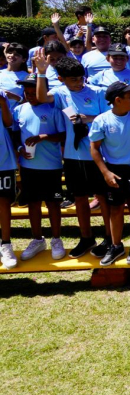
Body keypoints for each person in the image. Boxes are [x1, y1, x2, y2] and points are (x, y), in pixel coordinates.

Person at [34, 54, 111, 258]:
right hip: (72, 155)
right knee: (79, 198)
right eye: (73, 80)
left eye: (81, 78)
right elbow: (42, 98)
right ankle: (86, 237)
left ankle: (110, 237)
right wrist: (41, 73)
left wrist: (88, 118)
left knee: (103, 198)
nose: (79, 83)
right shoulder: (61, 93)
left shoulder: (97, 93)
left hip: (97, 155)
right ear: (61, 79)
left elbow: (108, 118)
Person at [89, 82, 130, 266]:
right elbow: (94, 148)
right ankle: (116, 246)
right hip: (113, 172)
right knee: (115, 208)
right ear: (117, 100)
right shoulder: (101, 120)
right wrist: (106, 172)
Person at [11, 74, 67, 262]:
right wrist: (19, 148)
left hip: (51, 166)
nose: (29, 96)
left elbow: (63, 136)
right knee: (33, 203)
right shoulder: (19, 110)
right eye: (26, 93)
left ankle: (56, 239)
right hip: (28, 166)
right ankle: (37, 239)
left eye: (33, 92)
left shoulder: (53, 109)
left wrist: (43, 137)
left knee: (53, 203)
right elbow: (15, 134)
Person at [0, 95, 14, 269]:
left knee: (4, 202)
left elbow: (9, 123)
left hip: (3, 160)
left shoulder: (2, 97)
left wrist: (3, 103)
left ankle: (6, 244)